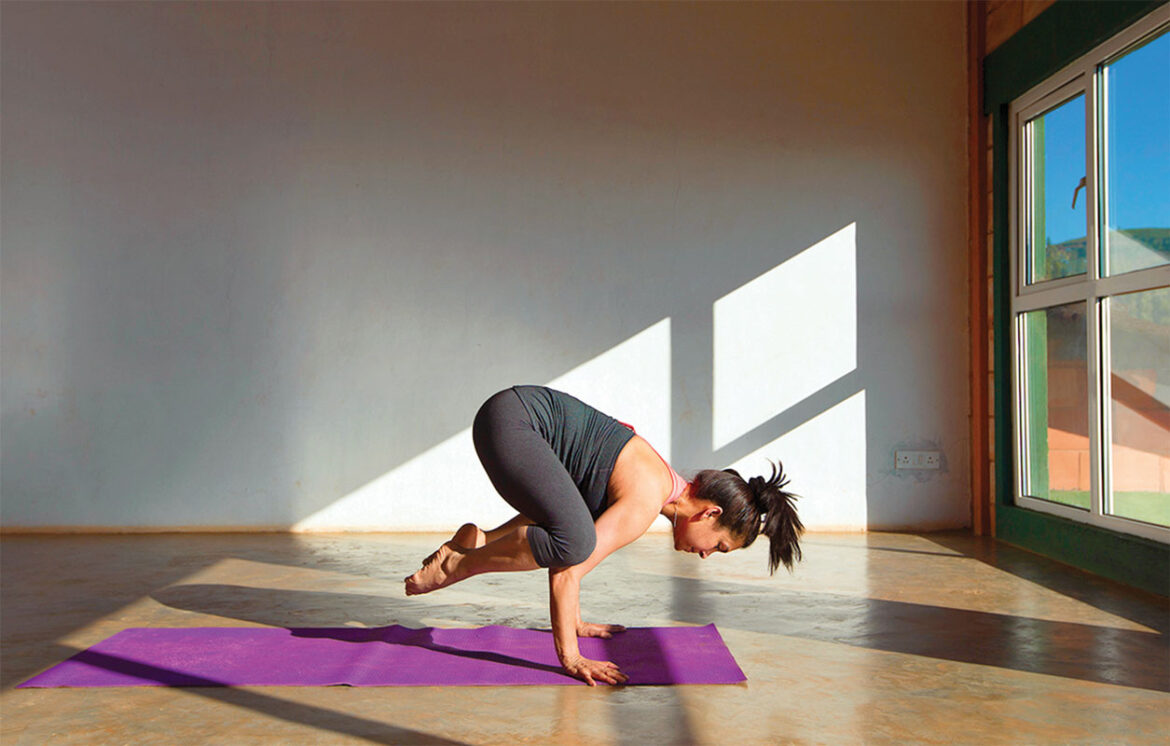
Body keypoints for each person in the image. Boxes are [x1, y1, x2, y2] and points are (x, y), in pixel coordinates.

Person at [404, 385, 803, 686]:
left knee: (579, 522)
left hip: (508, 414)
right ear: (710, 513)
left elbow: (569, 513)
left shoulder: (660, 479)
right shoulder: (646, 498)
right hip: (513, 423)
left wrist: (575, 621)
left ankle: (480, 541)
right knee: (576, 543)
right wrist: (572, 658)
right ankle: (458, 564)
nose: (706, 554)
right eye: (718, 546)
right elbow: (568, 569)